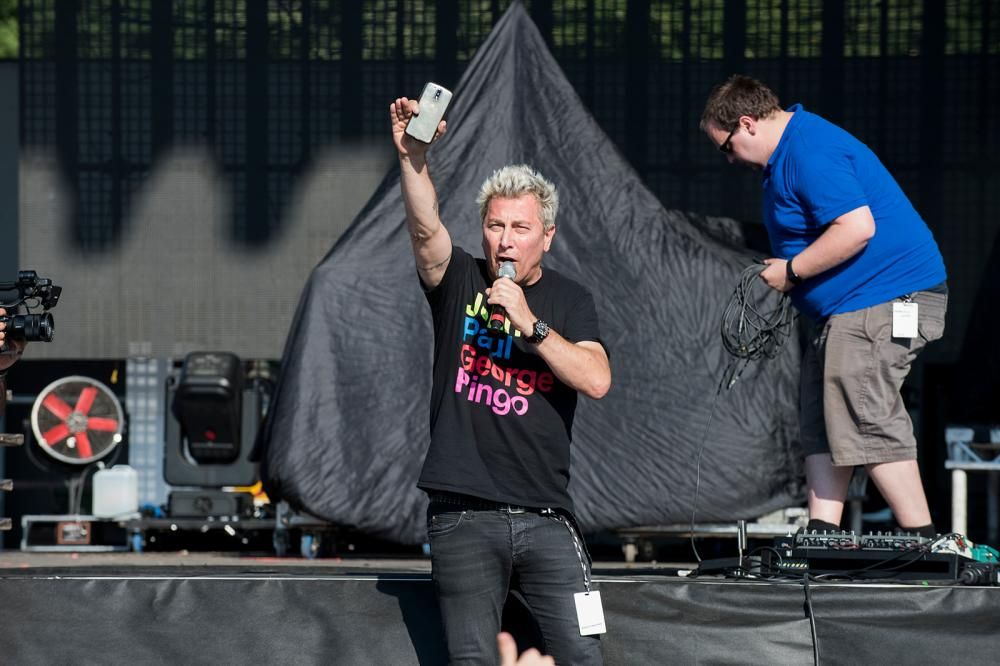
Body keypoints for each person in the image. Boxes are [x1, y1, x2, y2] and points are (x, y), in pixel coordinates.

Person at [390, 95, 611, 664]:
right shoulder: (460, 278)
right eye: (495, 226)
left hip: (547, 515)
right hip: (464, 513)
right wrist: (413, 157)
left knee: (584, 652)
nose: (505, 240)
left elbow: (596, 379)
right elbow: (425, 233)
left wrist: (530, 325)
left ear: (547, 235)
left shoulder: (568, 299)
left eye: (520, 227)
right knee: (473, 659)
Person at [701, 75, 947, 538]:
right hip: (847, 309)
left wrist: (792, 271)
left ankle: (923, 538)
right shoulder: (789, 153)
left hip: (885, 297)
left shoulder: (808, 151)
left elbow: (857, 228)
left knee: (864, 407)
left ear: (747, 123)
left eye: (726, 147)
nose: (730, 159)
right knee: (821, 414)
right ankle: (821, 534)